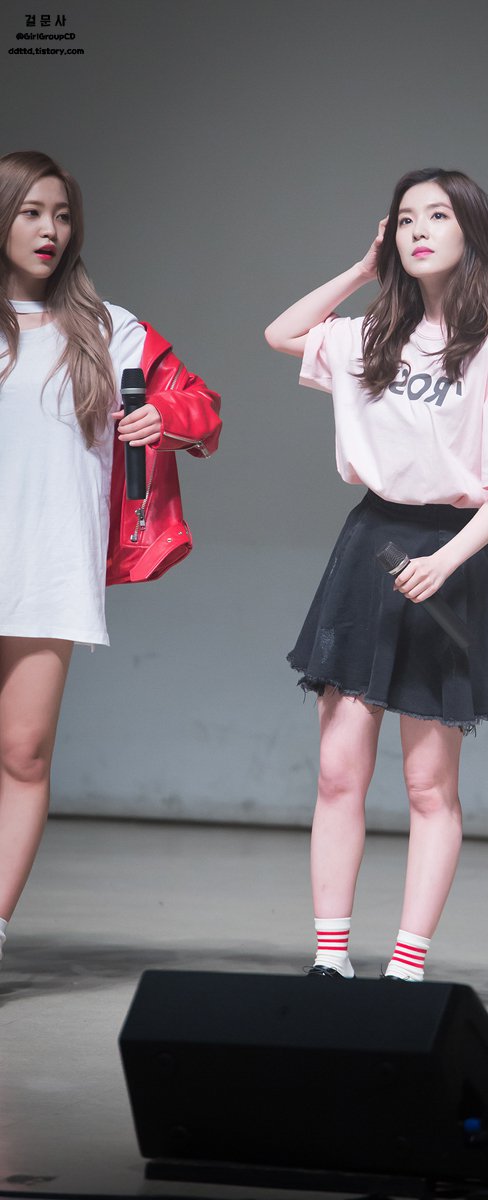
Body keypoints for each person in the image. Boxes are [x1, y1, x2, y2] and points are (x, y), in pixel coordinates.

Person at [265, 167, 488, 981]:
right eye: (406, 218)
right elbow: (282, 333)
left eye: (438, 216)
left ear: (471, 233)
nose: (419, 229)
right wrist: (363, 269)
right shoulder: (368, 336)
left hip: (451, 555)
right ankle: (331, 959)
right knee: (338, 770)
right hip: (369, 547)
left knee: (429, 784)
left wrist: (446, 561)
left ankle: (407, 967)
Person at [0, 150, 221, 967]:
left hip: (46, 568)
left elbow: (202, 409)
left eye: (62, 215)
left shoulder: (108, 328)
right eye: (32, 212)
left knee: (23, 754)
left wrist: (164, 416)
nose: (50, 230)